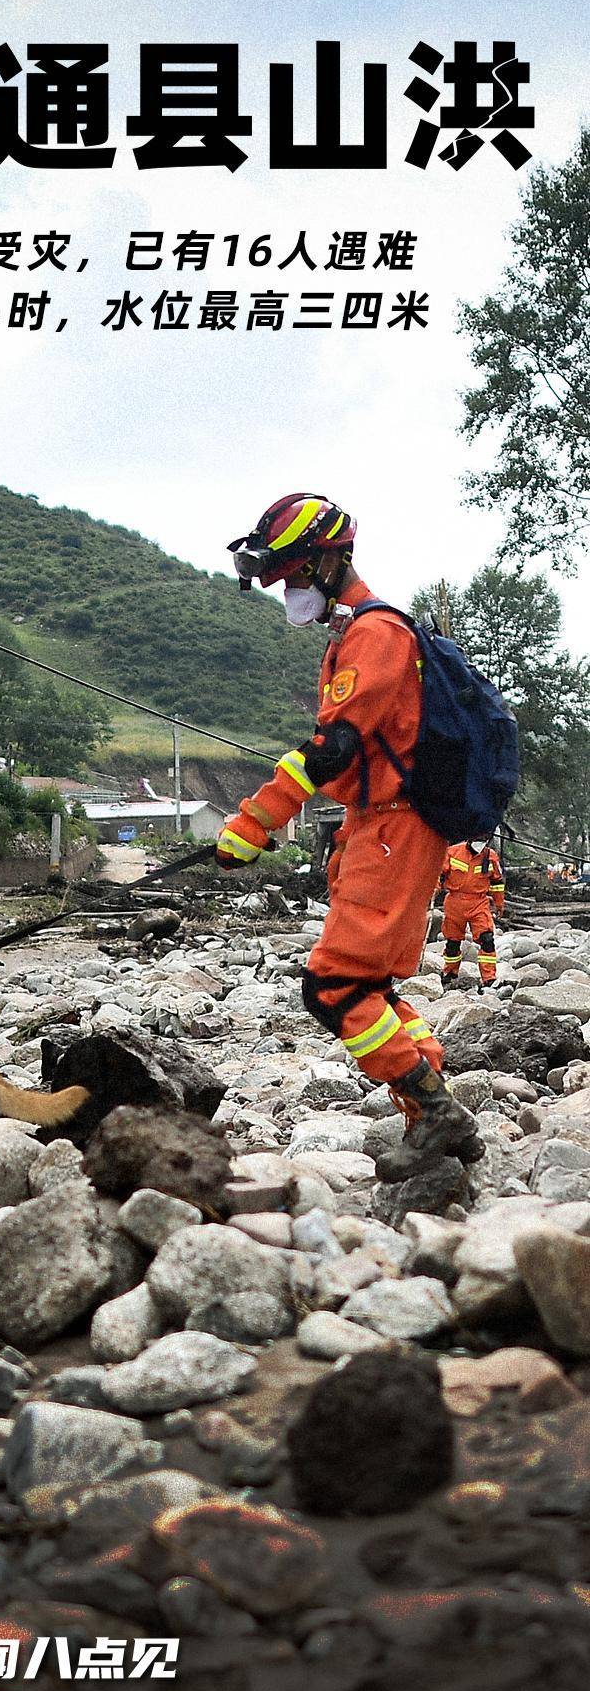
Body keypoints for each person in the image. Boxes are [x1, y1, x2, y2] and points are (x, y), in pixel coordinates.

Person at [216, 492, 484, 1181]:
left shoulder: (375, 633)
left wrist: (254, 822)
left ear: (331, 558)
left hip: (393, 830)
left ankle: (436, 1110)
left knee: (332, 991)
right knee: (373, 988)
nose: (290, 590)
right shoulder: (353, 633)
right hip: (381, 829)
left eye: (296, 575)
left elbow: (332, 750)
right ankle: (436, 1117)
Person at [439, 838, 505, 990]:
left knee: (487, 939)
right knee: (452, 942)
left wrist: (499, 903)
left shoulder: (490, 857)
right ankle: (450, 973)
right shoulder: (453, 852)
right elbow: (439, 874)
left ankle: (489, 978)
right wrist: (434, 889)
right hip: (455, 902)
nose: (480, 843)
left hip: (479, 903)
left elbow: (497, 882)